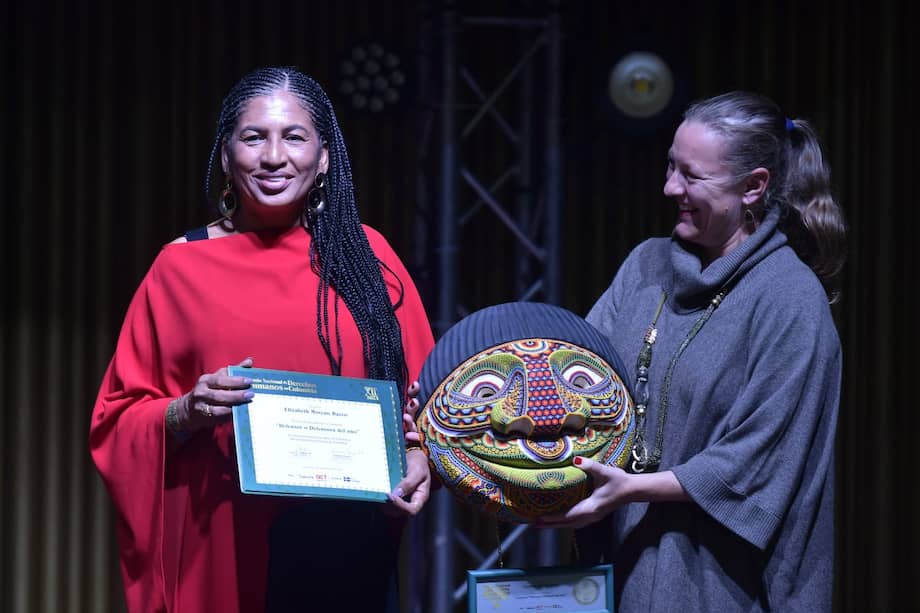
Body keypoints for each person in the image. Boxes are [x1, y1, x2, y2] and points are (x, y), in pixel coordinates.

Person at [89, 66, 434, 613]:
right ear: (226, 157)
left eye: (294, 137)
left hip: (345, 549)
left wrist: (419, 457)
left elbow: (427, 402)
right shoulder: (181, 267)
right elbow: (116, 421)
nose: (274, 156)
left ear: (323, 158)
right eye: (254, 137)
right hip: (224, 543)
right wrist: (185, 411)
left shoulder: (369, 261)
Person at [543, 91, 846, 612]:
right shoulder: (646, 266)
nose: (669, 187)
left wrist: (635, 488)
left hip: (723, 580)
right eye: (670, 167)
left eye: (692, 176)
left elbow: (762, 455)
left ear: (753, 187)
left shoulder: (790, 299)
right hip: (623, 559)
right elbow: (572, 374)